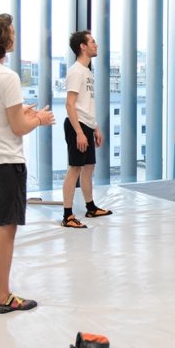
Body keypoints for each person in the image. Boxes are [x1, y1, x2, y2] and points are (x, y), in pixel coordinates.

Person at [0, 14, 54, 314]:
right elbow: (18, 127)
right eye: (11, 32)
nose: (14, 36)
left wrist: (22, 113)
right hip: (5, 162)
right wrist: (39, 118)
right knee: (7, 228)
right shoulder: (7, 77)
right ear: (2, 40)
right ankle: (3, 297)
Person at [60, 30, 112, 227]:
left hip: (87, 125)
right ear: (82, 46)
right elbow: (69, 104)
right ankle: (67, 216)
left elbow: (86, 103)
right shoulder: (75, 71)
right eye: (92, 42)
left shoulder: (87, 72)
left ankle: (91, 208)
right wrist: (80, 132)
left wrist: (95, 127)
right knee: (74, 169)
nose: (96, 45)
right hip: (77, 126)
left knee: (89, 167)